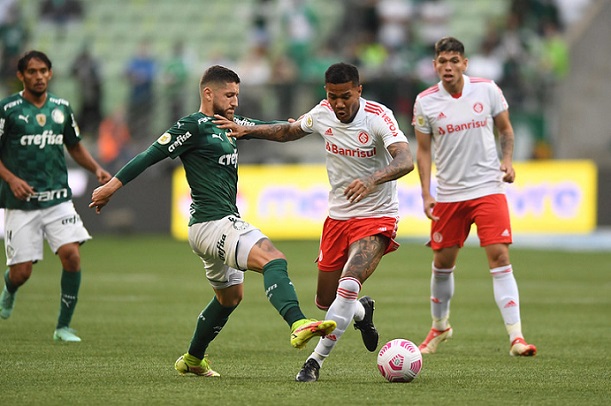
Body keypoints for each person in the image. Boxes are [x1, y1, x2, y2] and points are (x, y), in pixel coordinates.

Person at [89, 65, 336, 378]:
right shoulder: (192, 125)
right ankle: (298, 322)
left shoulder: (229, 123)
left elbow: (273, 130)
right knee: (273, 258)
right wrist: (111, 186)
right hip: (213, 222)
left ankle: (193, 359)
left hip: (211, 226)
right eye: (229, 95)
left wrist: (297, 125)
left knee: (230, 297)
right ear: (208, 93)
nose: (234, 101)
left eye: (237, 95)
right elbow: (150, 155)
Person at [214, 62, 414, 382]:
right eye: (333, 96)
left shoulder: (378, 116)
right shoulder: (322, 112)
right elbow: (290, 130)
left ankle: (314, 362)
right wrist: (248, 130)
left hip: (376, 216)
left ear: (358, 91)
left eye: (345, 96)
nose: (338, 104)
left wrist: (374, 179)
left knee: (347, 286)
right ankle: (362, 312)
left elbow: (405, 159)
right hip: (338, 218)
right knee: (326, 301)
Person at [411, 36, 537, 357]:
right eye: (442, 61)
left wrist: (507, 162)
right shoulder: (425, 102)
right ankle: (440, 327)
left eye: (454, 61)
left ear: (464, 64)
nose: (448, 67)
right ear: (435, 65)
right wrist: (426, 193)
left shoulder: (487, 89)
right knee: (442, 263)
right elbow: (423, 152)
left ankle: (516, 337)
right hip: (450, 194)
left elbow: (506, 131)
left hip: (487, 188)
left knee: (500, 257)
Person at [0, 50, 112, 342]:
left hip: (58, 197)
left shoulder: (61, 107)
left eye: (43, 71)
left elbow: (73, 145)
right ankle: (9, 289)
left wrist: (97, 169)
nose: (38, 76)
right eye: (32, 72)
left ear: (51, 74)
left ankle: (63, 326)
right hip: (21, 202)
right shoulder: (8, 109)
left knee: (71, 256)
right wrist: (11, 179)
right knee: (22, 272)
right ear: (21, 76)